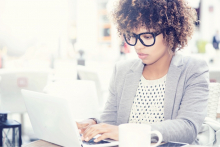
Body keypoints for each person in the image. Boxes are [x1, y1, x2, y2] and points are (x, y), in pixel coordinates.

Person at [76, 0, 209, 145]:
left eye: (147, 37)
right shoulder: (122, 71)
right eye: (132, 36)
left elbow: (187, 128)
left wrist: (127, 133)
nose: (137, 45)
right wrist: (95, 124)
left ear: (170, 33)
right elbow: (111, 123)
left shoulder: (193, 70)